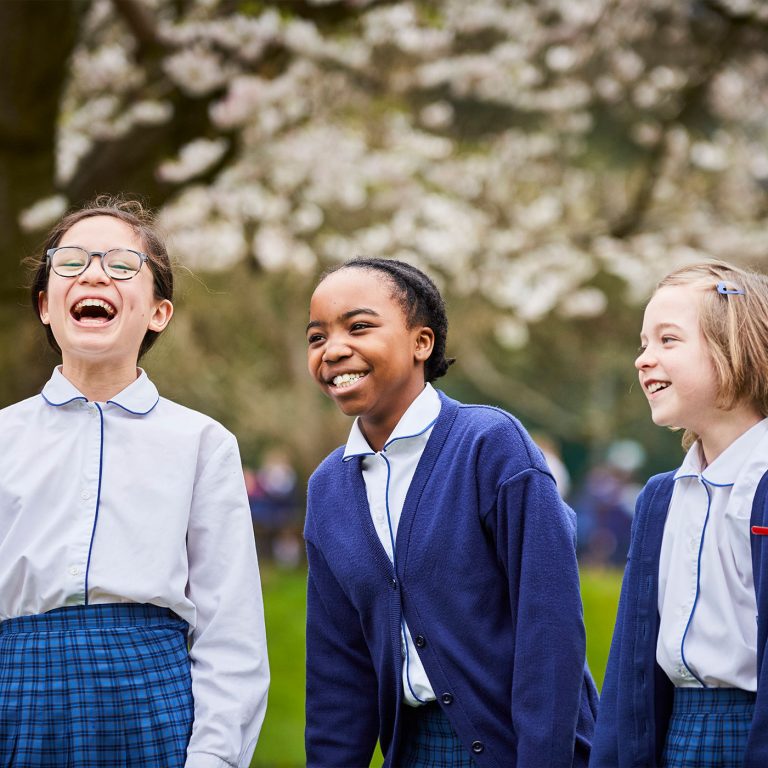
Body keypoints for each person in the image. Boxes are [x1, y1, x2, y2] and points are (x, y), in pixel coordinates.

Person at [0, 198, 269, 768]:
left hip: (151, 698)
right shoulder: (4, 436)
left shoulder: (202, 443)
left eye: (122, 265)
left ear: (159, 313)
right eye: (70, 261)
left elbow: (230, 627)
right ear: (46, 306)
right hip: (15, 693)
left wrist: (215, 757)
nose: (94, 272)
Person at [303, 257, 597, 768]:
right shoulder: (328, 489)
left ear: (422, 342)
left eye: (359, 327)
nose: (334, 349)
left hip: (524, 749)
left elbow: (550, 630)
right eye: (316, 337)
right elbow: (337, 670)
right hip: (416, 751)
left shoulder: (492, 446)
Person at [591, 260, 768, 768]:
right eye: (643, 344)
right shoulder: (660, 497)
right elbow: (630, 669)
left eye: (668, 341)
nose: (643, 360)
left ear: (736, 348)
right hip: (670, 738)